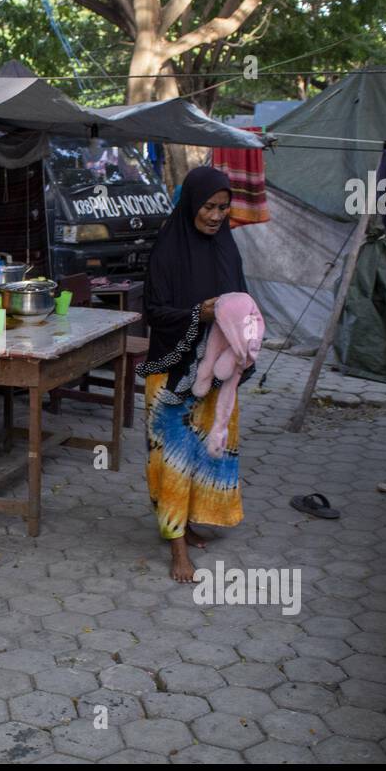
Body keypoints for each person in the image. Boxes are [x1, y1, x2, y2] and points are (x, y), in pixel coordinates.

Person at [139, 166, 251, 583]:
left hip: (218, 370)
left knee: (206, 451)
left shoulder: (227, 247)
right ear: (191, 204)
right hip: (171, 369)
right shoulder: (167, 250)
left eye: (223, 208)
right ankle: (177, 546)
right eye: (208, 207)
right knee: (173, 460)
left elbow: (240, 298)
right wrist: (197, 313)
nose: (216, 216)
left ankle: (187, 521)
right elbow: (153, 311)